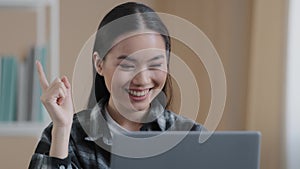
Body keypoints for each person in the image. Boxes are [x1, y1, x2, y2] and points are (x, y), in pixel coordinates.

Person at [29, 2, 203, 169]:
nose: (142, 79)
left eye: (154, 64)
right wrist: (62, 129)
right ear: (99, 64)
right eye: (127, 65)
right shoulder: (67, 135)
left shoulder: (192, 136)